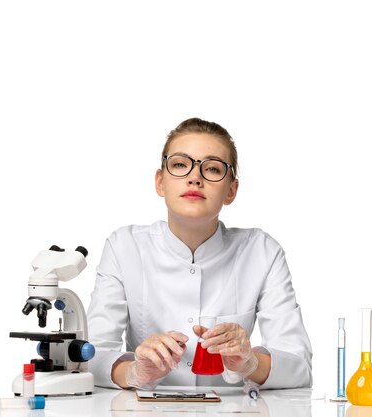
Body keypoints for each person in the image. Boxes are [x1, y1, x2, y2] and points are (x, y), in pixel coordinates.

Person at [86, 117, 312, 390]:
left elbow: (299, 365)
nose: (195, 177)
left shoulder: (262, 252)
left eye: (213, 169)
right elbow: (90, 356)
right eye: (180, 164)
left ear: (231, 190)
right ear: (160, 182)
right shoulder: (125, 247)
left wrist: (250, 362)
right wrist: (135, 372)